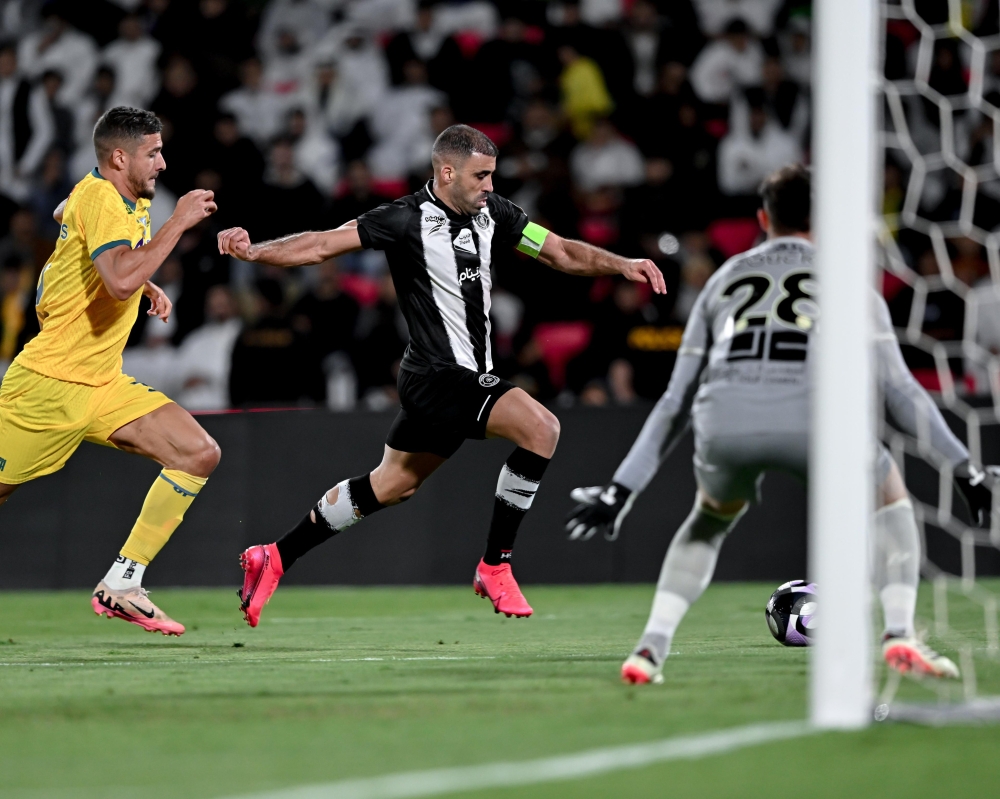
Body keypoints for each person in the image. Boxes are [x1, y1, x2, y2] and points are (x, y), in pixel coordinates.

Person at [217, 124, 666, 627]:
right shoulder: (402, 219)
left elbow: (559, 250)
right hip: (436, 375)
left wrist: (621, 264)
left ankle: (275, 556)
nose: (490, 186)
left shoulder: (497, 214)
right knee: (542, 428)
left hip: (456, 379)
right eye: (481, 176)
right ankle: (495, 565)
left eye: (493, 175)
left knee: (391, 486)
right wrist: (256, 252)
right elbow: (323, 245)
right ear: (447, 172)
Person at [564, 164, 997, 684]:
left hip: (724, 418)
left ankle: (650, 649)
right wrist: (964, 468)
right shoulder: (845, 276)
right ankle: (899, 635)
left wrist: (620, 490)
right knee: (890, 499)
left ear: (763, 217)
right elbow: (901, 392)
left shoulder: (723, 278)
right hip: (815, 414)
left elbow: (674, 400)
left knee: (707, 522)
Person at [0, 107, 220, 635]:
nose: (163, 163)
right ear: (118, 157)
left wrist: (140, 279)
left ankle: (123, 582)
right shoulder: (104, 199)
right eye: (153, 153)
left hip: (101, 382)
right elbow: (116, 280)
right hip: (47, 385)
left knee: (197, 452)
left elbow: (62, 214)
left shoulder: (106, 196)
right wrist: (176, 225)